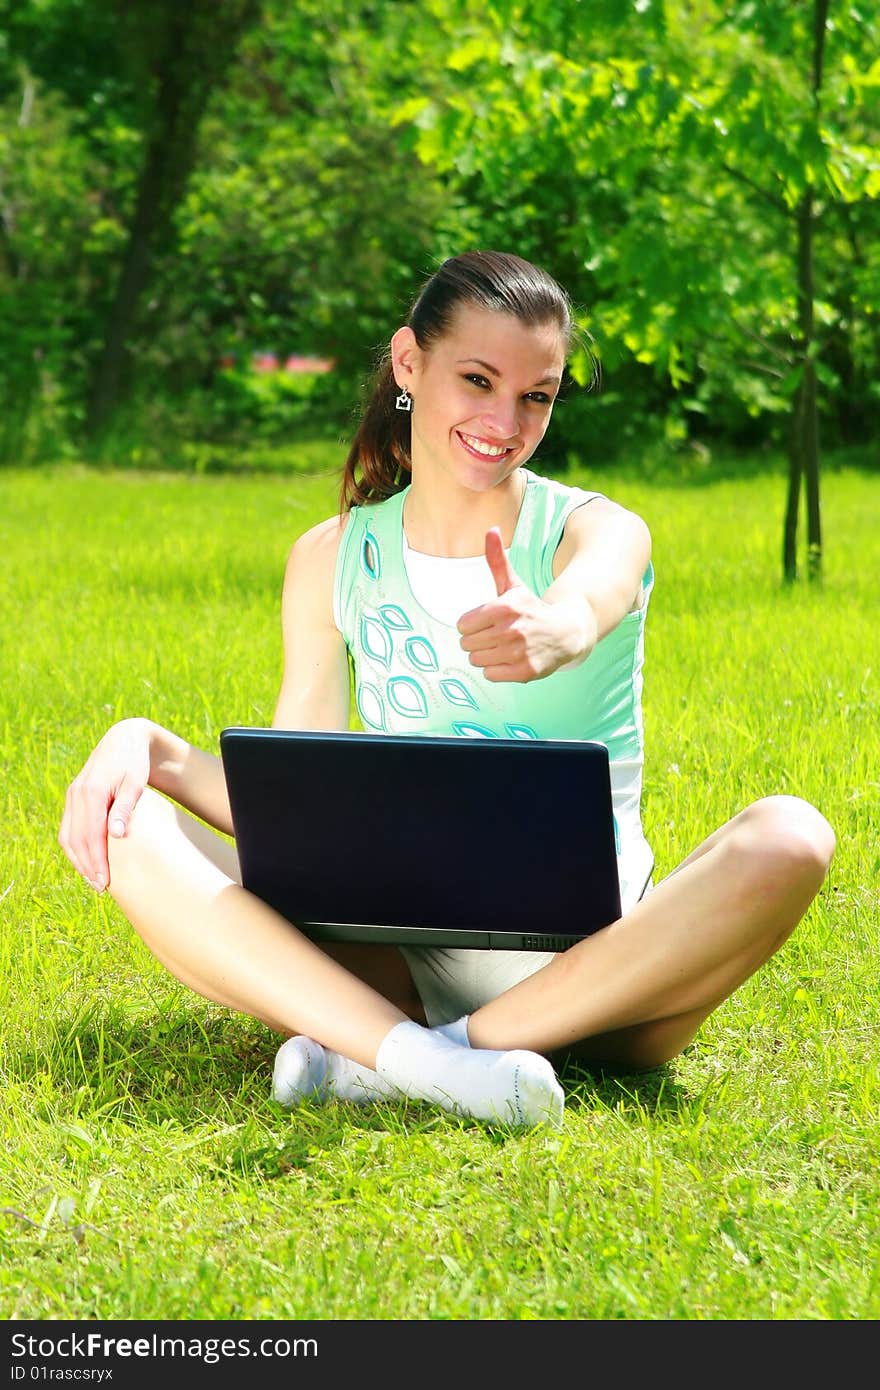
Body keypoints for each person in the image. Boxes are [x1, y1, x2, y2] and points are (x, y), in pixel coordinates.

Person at [58, 250, 836, 1129]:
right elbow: (298, 808)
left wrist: (556, 629)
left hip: (599, 972)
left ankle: (395, 1054)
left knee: (791, 836)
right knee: (125, 827)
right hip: (394, 952)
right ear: (408, 364)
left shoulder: (597, 530)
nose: (505, 420)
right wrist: (147, 746)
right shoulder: (332, 558)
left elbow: (594, 595)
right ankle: (434, 1061)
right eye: (477, 379)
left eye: (536, 395)